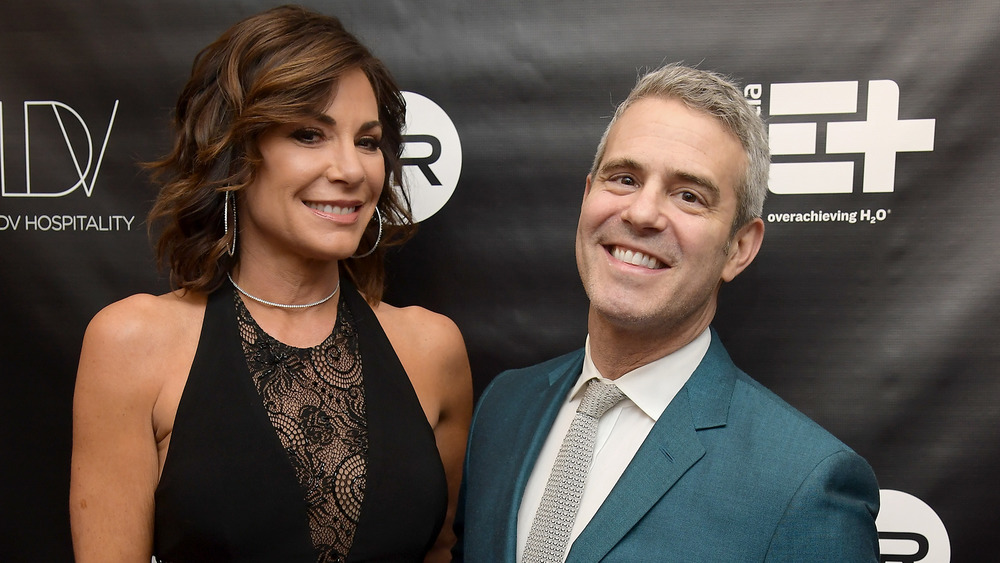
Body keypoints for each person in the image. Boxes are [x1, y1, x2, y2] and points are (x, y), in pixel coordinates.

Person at [69, 6, 472, 562]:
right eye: (309, 134)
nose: (351, 170)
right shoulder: (133, 344)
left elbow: (441, 551)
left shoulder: (432, 349)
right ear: (235, 150)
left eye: (368, 141)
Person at [453, 63, 880, 562]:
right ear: (587, 194)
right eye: (625, 178)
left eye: (688, 196)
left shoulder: (805, 485)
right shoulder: (504, 407)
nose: (641, 213)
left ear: (740, 247)